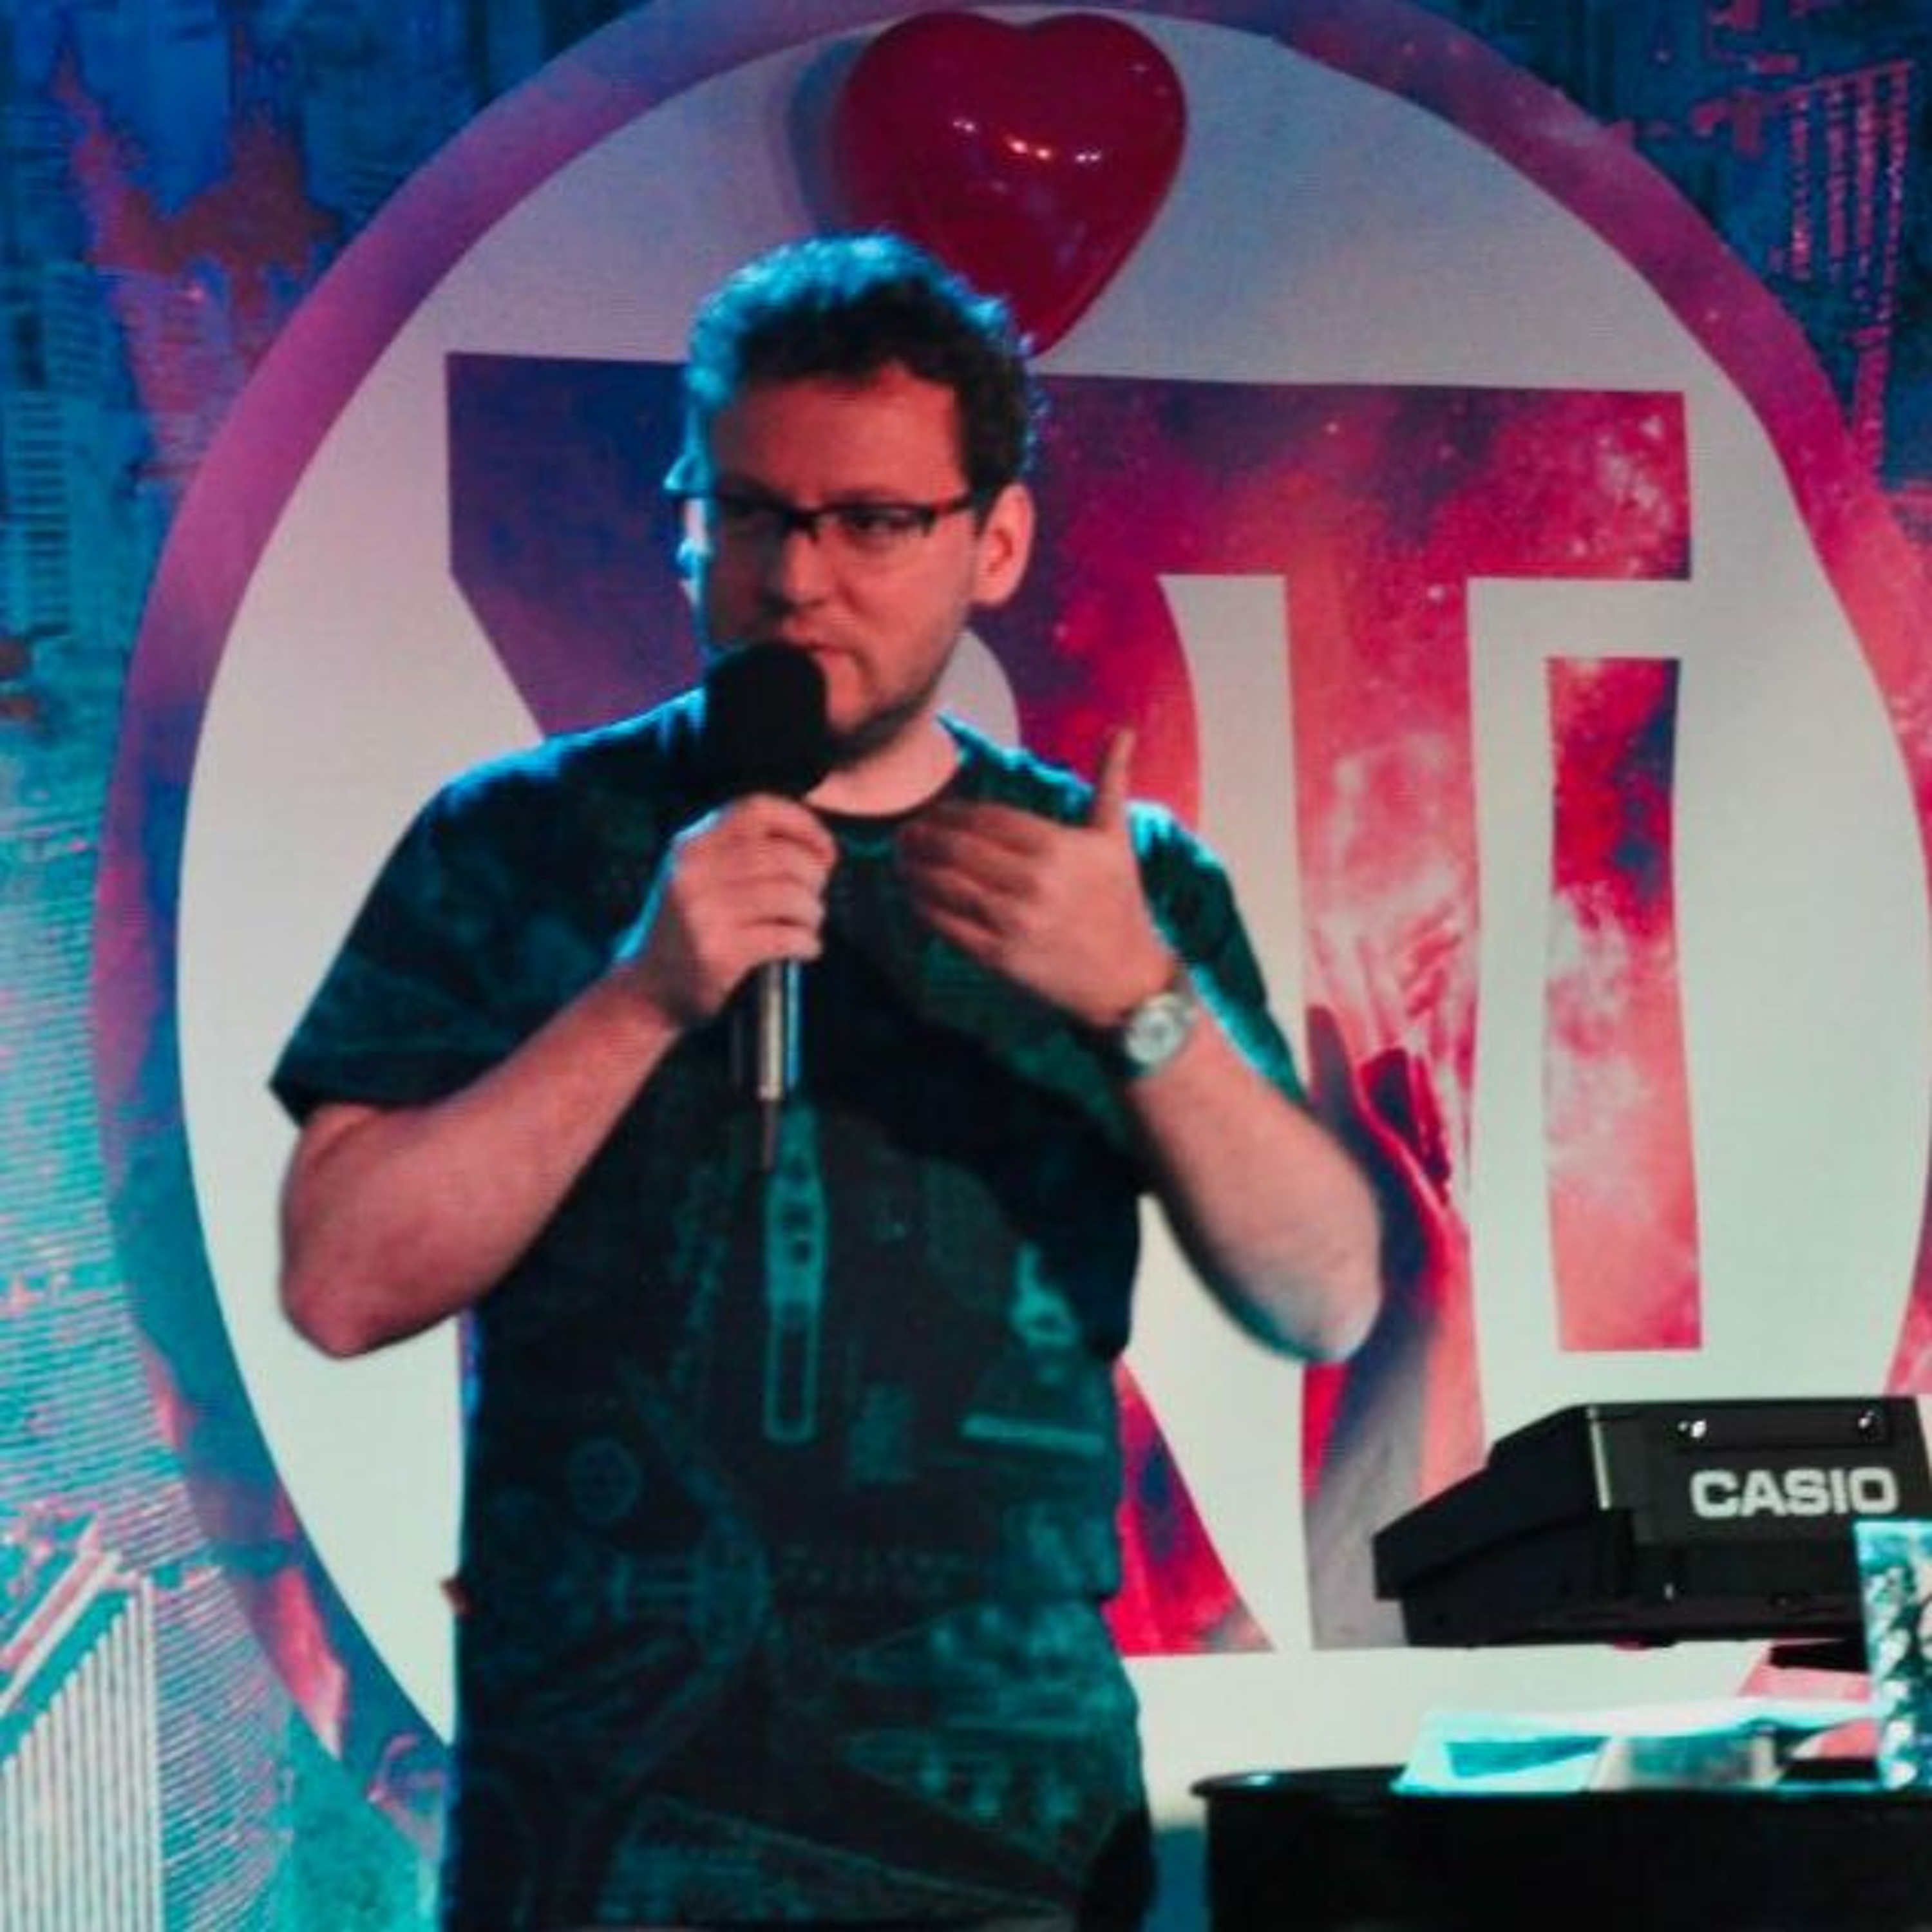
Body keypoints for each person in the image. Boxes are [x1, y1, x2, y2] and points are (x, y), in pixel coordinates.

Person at [274, 233, 1381, 1931]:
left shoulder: (1115, 877)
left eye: (872, 521)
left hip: (1003, 1849)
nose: (798, 578)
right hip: (597, 1850)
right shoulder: (513, 839)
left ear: (992, 541)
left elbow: (1326, 1291)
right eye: (751, 514)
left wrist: (1138, 999)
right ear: (688, 518)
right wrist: (641, 996)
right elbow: (342, 1282)